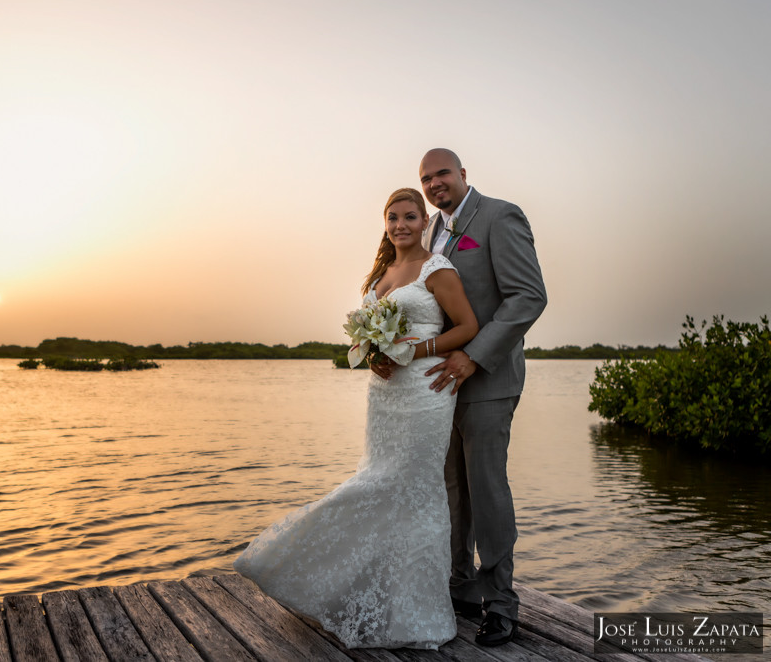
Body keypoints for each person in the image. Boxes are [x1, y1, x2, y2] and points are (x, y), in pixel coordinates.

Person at [234, 187, 479, 649]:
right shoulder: (380, 274)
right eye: (393, 217)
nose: (401, 224)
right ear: (384, 222)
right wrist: (373, 354)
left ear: (424, 221)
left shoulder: (437, 269)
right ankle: (374, 595)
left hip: (426, 389)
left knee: (412, 488)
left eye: (410, 216)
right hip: (384, 394)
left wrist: (415, 349)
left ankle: (420, 613)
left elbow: (467, 327)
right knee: (379, 479)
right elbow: (370, 338)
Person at [418, 148, 547, 647]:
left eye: (442, 173)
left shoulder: (499, 216)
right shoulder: (429, 229)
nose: (434, 184)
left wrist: (473, 355)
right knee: (452, 488)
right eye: (426, 178)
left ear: (463, 174)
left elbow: (528, 296)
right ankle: (461, 587)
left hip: (489, 378)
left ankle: (501, 603)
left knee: (487, 489)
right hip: (438, 384)